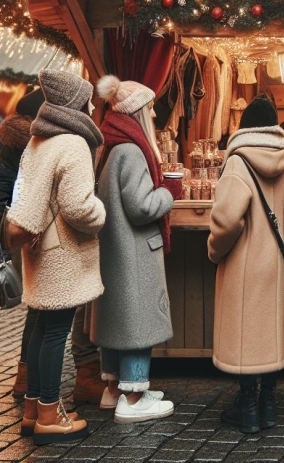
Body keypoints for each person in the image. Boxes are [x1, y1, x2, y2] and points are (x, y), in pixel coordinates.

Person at [5, 70, 106, 446]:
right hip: (63, 251)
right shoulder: (73, 143)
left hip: (38, 248)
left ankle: (34, 409)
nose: (93, 105)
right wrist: (101, 213)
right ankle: (49, 413)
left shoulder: (39, 140)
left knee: (38, 327)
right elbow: (79, 208)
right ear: (77, 103)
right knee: (55, 333)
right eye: (88, 98)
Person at [210, 97, 284, 434]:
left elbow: (227, 220)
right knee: (269, 334)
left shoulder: (239, 163)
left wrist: (215, 250)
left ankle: (248, 406)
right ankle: (268, 403)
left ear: (244, 127)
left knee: (246, 335)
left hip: (244, 261)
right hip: (279, 260)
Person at [91, 76, 176, 424]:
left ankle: (113, 389)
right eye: (151, 109)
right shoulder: (133, 150)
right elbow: (141, 206)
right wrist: (170, 191)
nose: (154, 116)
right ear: (138, 111)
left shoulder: (112, 146)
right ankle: (133, 396)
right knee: (138, 322)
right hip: (134, 253)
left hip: (115, 251)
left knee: (118, 320)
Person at [0, 88, 44, 399]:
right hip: (30, 236)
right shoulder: (29, 146)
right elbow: (5, 198)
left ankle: (26, 376)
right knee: (39, 310)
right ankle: (27, 379)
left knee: (37, 309)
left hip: (19, 236)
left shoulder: (11, 145)